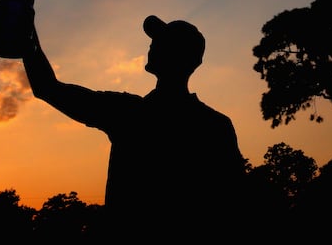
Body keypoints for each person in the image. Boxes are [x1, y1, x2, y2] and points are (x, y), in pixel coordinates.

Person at [21, 15, 249, 234]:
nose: (152, 44)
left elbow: (47, 87)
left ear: (176, 55)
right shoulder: (215, 125)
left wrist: (23, 23)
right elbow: (235, 204)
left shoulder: (130, 113)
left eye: (160, 41)